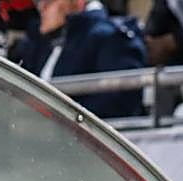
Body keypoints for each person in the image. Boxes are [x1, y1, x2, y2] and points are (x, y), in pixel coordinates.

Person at [14, 0, 147, 118]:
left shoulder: (111, 38)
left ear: (78, 2)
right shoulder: (44, 42)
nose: (41, 7)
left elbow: (118, 104)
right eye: (38, 1)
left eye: (49, 1)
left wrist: (59, 115)